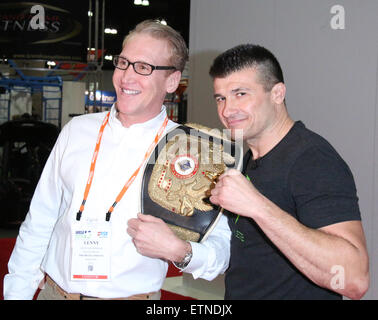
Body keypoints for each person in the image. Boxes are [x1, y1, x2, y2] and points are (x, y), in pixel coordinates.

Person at [3, 20, 231, 300]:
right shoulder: (77, 130)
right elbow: (40, 220)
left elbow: (222, 250)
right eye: (124, 62)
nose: (127, 77)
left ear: (172, 81)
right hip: (55, 293)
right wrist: (17, 294)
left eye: (144, 67)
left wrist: (178, 251)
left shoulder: (194, 152)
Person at [208, 44, 369, 300]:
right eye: (221, 98)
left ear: (277, 93)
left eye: (241, 94)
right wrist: (181, 250)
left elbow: (354, 279)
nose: (227, 110)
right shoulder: (251, 159)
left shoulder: (312, 158)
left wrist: (258, 207)